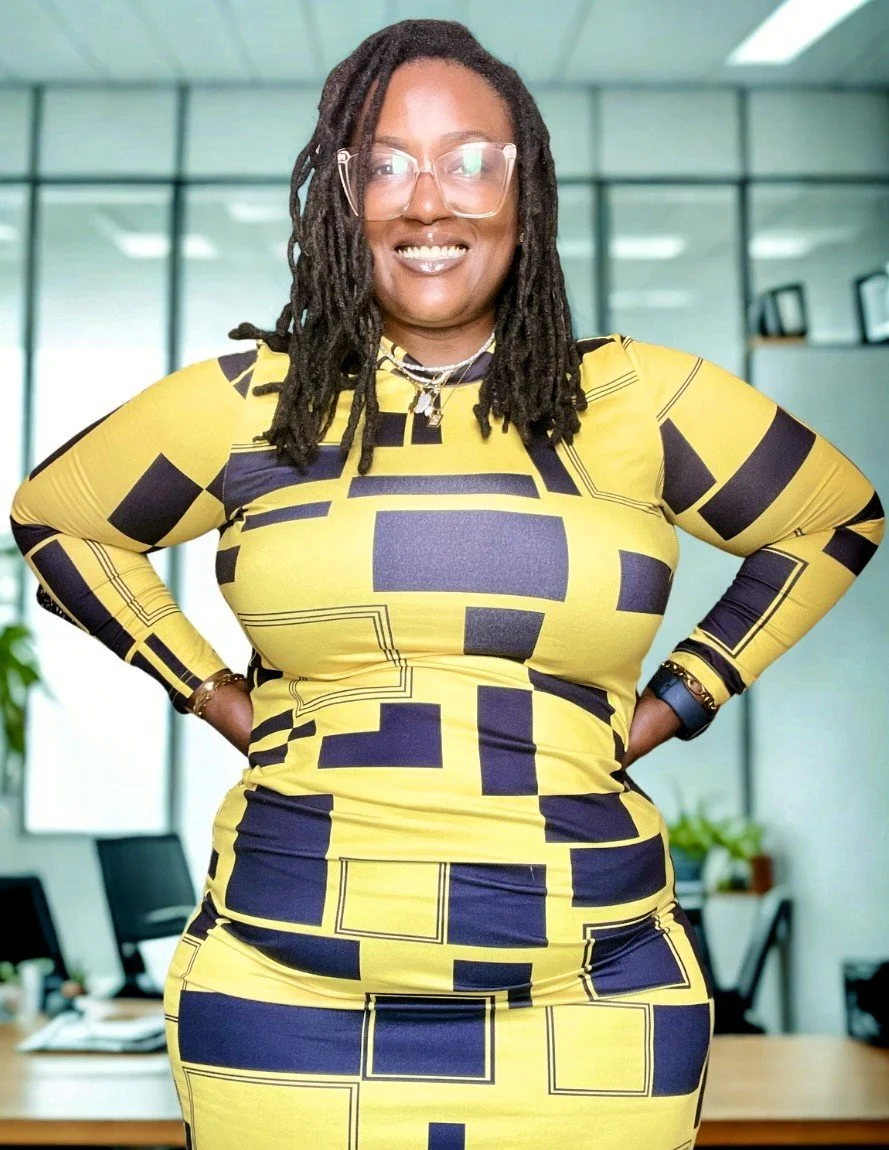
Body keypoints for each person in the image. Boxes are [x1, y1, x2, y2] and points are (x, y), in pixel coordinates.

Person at [9, 18, 884, 1150]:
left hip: (594, 1007)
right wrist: (219, 697)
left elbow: (830, 516)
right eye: (385, 162)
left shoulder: (637, 403)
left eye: (470, 157)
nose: (429, 201)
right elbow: (60, 517)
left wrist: (678, 698)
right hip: (281, 1012)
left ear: (529, 190)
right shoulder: (257, 404)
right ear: (340, 194)